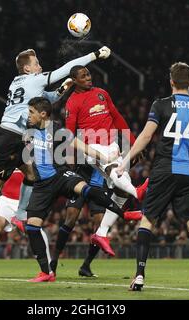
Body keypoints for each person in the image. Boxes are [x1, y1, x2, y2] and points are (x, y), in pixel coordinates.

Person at [0, 46, 112, 241]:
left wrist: (63, 89)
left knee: (31, 174)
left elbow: (47, 100)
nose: (40, 66)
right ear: (27, 68)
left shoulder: (17, 82)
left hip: (13, 136)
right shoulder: (36, 79)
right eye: (36, 64)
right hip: (12, 137)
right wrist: (95, 54)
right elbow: (68, 68)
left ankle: (20, 216)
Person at [116, 62, 189, 293]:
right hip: (188, 171)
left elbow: (146, 135)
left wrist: (125, 162)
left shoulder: (161, 105)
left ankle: (140, 275)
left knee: (148, 220)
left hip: (163, 169)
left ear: (171, 81)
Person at [24, 97, 143, 282]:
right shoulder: (28, 130)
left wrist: (105, 156)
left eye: (31, 112)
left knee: (85, 190)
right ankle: (46, 271)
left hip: (60, 176)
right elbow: (26, 157)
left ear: (43, 114)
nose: (28, 115)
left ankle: (123, 213)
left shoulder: (57, 130)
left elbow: (84, 148)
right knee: (32, 226)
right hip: (42, 185)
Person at [64, 65, 149, 256]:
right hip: (93, 147)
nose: (88, 77)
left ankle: (101, 233)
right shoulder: (72, 102)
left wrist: (134, 145)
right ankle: (138, 193)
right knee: (116, 171)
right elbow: (69, 134)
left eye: (88, 74)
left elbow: (117, 118)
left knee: (120, 190)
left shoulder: (102, 93)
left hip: (112, 144)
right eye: (83, 76)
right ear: (75, 80)